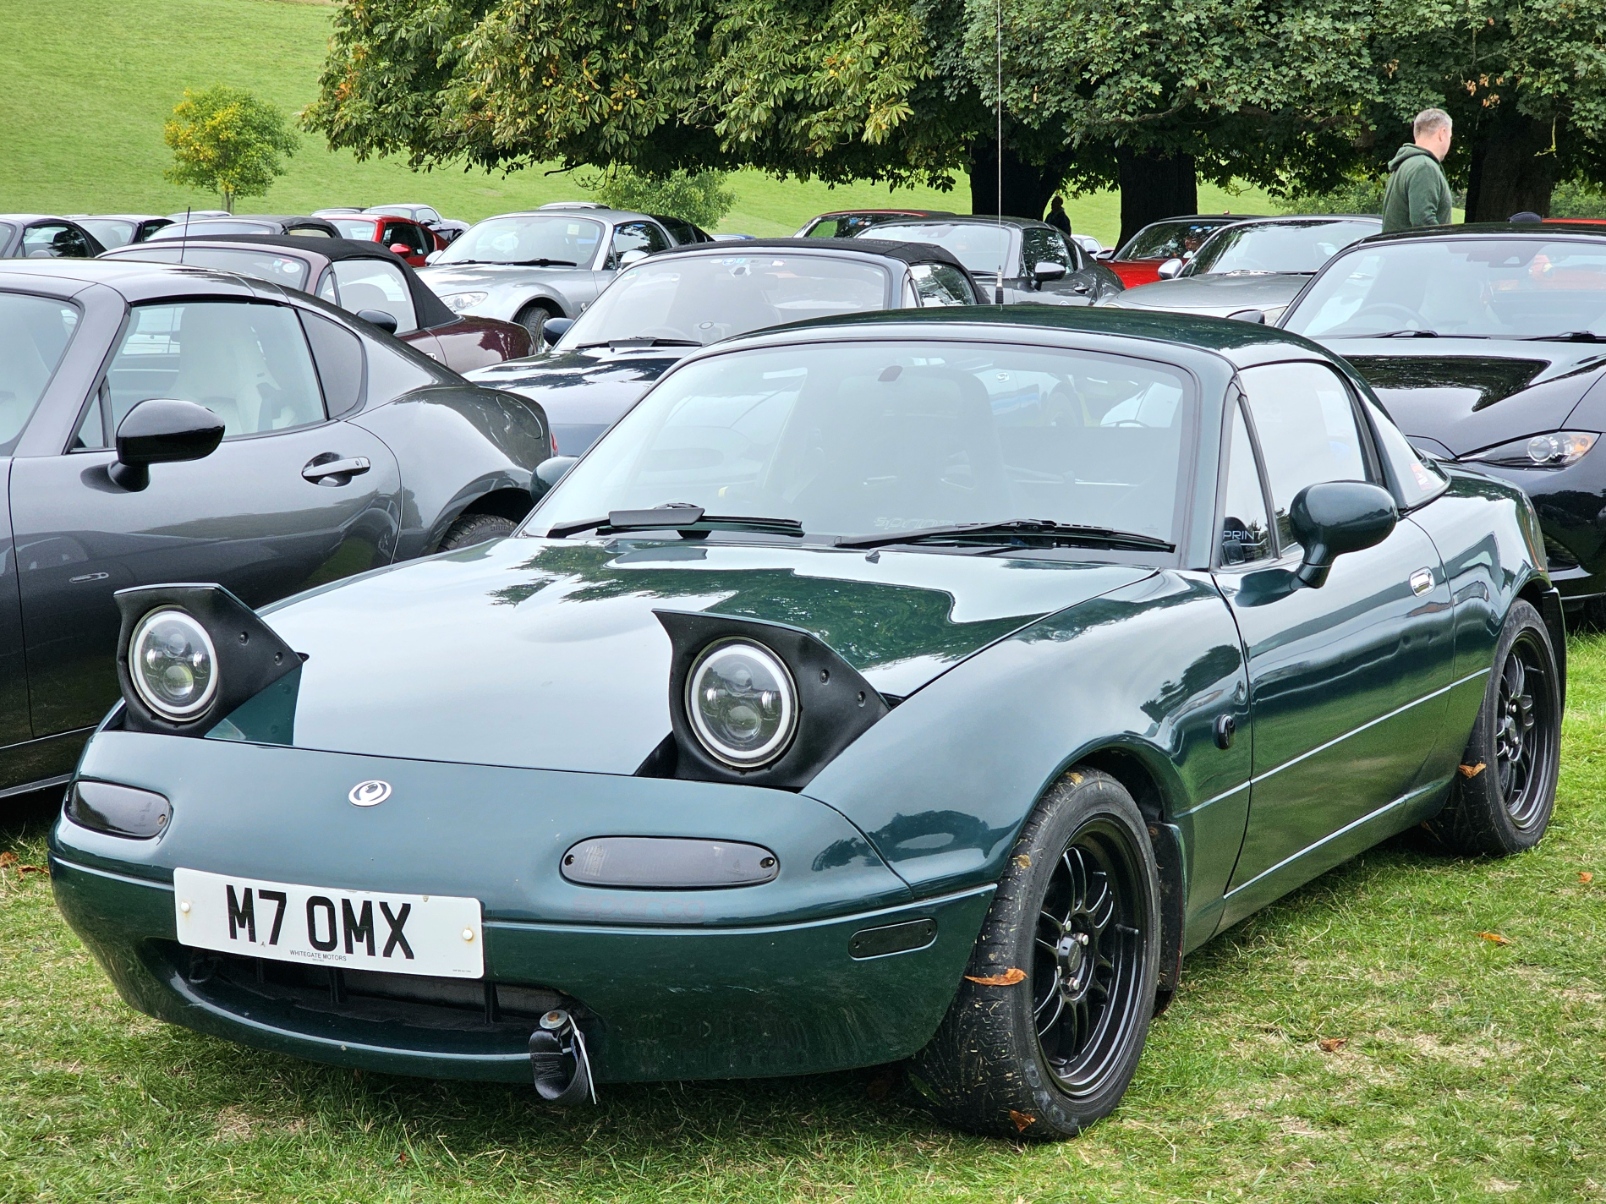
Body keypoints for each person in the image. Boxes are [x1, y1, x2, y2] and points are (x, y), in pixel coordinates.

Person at [1382, 109, 1455, 233]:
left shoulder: (1406, 164)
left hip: (1400, 250)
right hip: (1418, 252)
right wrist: (1446, 246)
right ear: (1442, 134)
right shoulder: (1424, 167)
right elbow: (1424, 223)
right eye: (1449, 136)